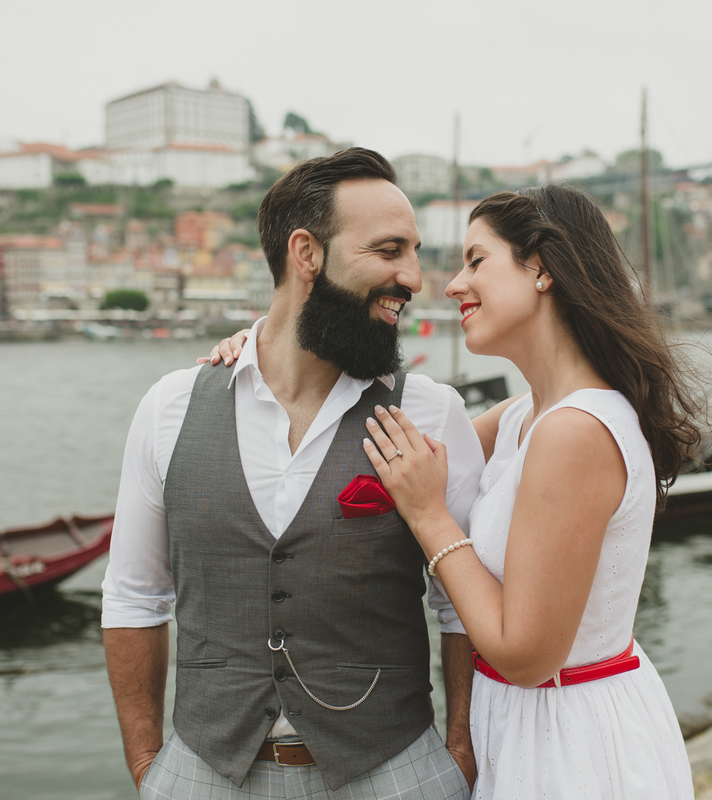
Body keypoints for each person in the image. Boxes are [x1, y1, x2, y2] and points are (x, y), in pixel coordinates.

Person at [206, 183, 703, 798]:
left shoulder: (573, 432)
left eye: (476, 260)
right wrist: (262, 355)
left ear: (541, 269)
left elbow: (525, 655)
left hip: (566, 742)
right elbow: (406, 440)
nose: (452, 285)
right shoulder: (526, 416)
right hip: (530, 726)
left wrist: (430, 517)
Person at [102, 148, 485, 800]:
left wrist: (460, 751)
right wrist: (148, 769)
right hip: (203, 776)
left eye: (415, 252)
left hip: (396, 773)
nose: (415, 278)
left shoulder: (432, 412)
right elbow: (134, 597)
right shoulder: (170, 407)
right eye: (389, 250)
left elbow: (461, 607)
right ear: (306, 253)